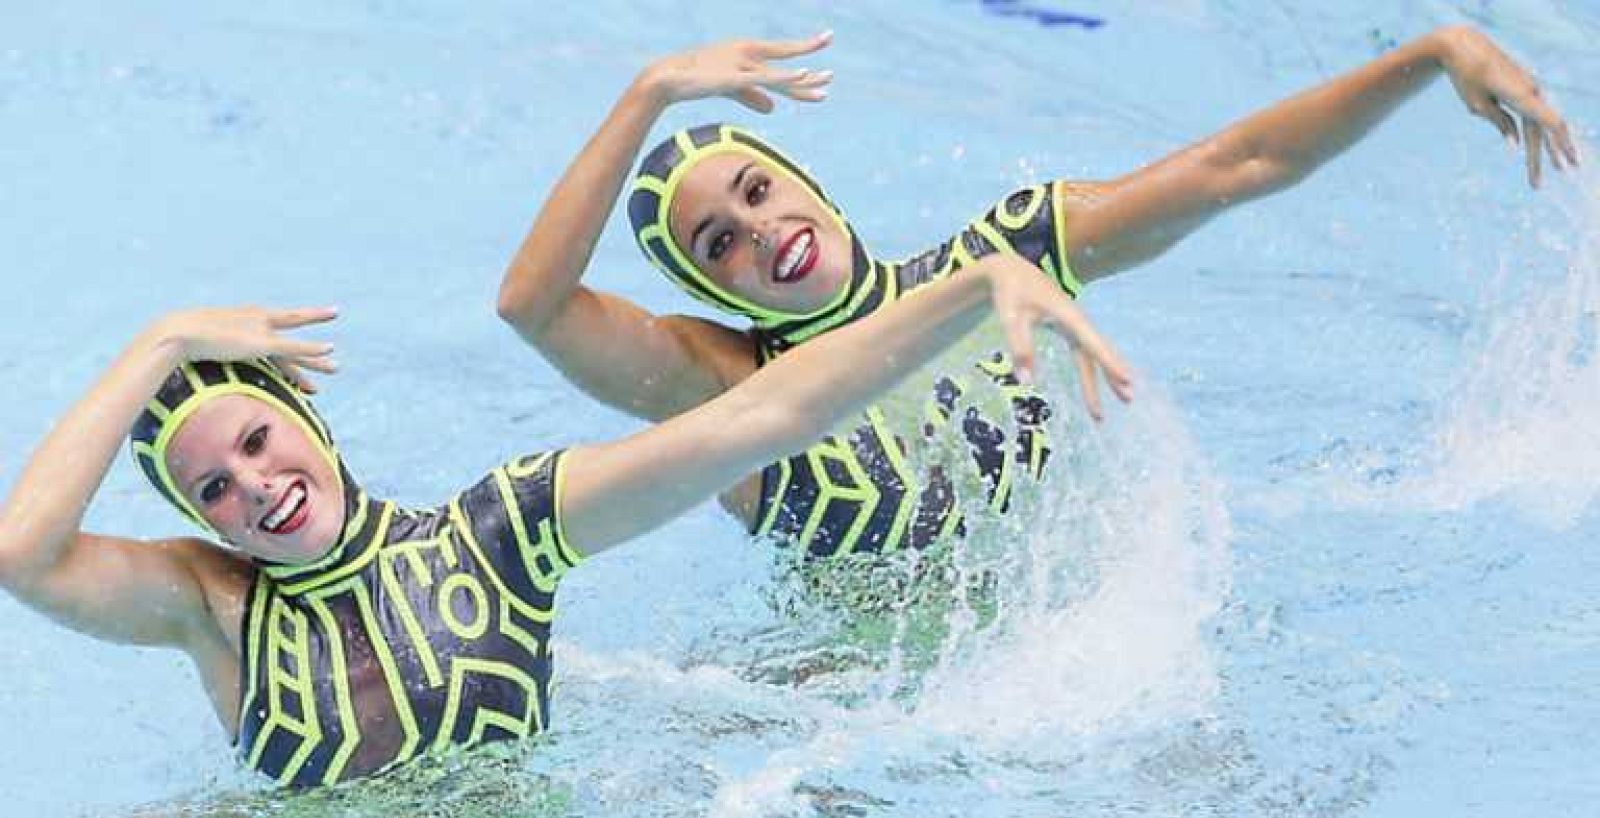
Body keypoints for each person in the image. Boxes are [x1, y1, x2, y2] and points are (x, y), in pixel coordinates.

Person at [0, 239, 1130, 787]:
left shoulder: (497, 533)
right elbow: (22, 553)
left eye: (255, 440)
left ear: (309, 416)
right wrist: (159, 343)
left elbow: (752, 421)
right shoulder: (211, 607)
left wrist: (968, 288)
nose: (252, 485)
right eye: (211, 488)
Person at [498, 27, 1578, 560]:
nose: (761, 233)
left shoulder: (1009, 254)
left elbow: (1235, 164)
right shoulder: (724, 386)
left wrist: (1433, 53)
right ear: (702, 284)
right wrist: (648, 93)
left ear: (806, 183)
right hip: (846, 705)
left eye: (759, 190)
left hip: (1077, 641)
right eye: (716, 242)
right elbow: (532, 307)